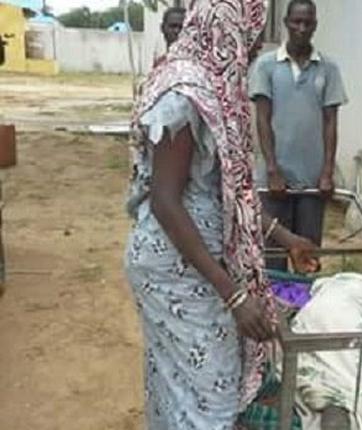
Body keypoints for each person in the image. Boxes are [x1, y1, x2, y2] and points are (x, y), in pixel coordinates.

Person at [125, 1, 317, 428]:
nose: (249, 54)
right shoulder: (185, 93)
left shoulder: (213, 90)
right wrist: (234, 295)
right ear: (223, 31)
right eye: (247, 42)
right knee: (210, 396)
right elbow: (165, 200)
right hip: (175, 269)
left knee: (185, 386)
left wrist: (284, 238)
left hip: (198, 263)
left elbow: (225, 195)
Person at [248, 0, 348, 271]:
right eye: (296, 22)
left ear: (315, 25)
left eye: (307, 23)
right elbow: (263, 120)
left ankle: (301, 310)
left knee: (307, 255)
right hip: (274, 180)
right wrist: (272, 169)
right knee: (273, 255)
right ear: (286, 23)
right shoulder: (266, 66)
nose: (301, 28)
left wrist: (327, 171)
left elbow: (330, 122)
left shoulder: (328, 68)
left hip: (312, 182)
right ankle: (276, 311)